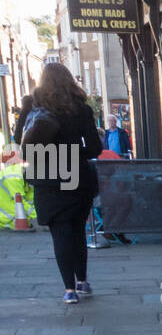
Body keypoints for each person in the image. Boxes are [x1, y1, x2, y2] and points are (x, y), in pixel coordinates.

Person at [17, 63, 102, 304]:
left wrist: (25, 109)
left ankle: (69, 289)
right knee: (77, 231)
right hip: (76, 175)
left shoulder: (34, 108)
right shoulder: (81, 110)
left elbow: (19, 141)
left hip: (48, 177)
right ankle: (82, 280)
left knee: (61, 233)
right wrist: (73, 152)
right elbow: (95, 148)